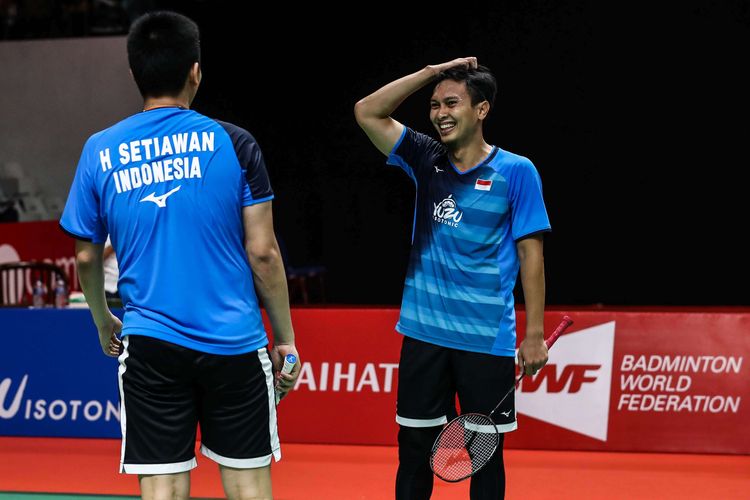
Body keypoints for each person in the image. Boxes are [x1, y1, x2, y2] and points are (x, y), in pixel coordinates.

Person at [59, 11, 299, 500]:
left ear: (134, 73)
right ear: (195, 70)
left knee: (163, 485)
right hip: (234, 341)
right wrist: (286, 340)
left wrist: (104, 320)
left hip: (150, 343)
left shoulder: (99, 149)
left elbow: (85, 259)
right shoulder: (236, 143)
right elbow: (264, 254)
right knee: (248, 482)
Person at [354, 58, 551, 499]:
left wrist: (534, 333)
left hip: (485, 339)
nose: (440, 112)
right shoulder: (426, 158)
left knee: (485, 455)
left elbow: (530, 253)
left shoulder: (517, 172)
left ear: (482, 110)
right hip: (425, 335)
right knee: (415, 449)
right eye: (434, 104)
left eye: (452, 103)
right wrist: (430, 72)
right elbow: (367, 111)